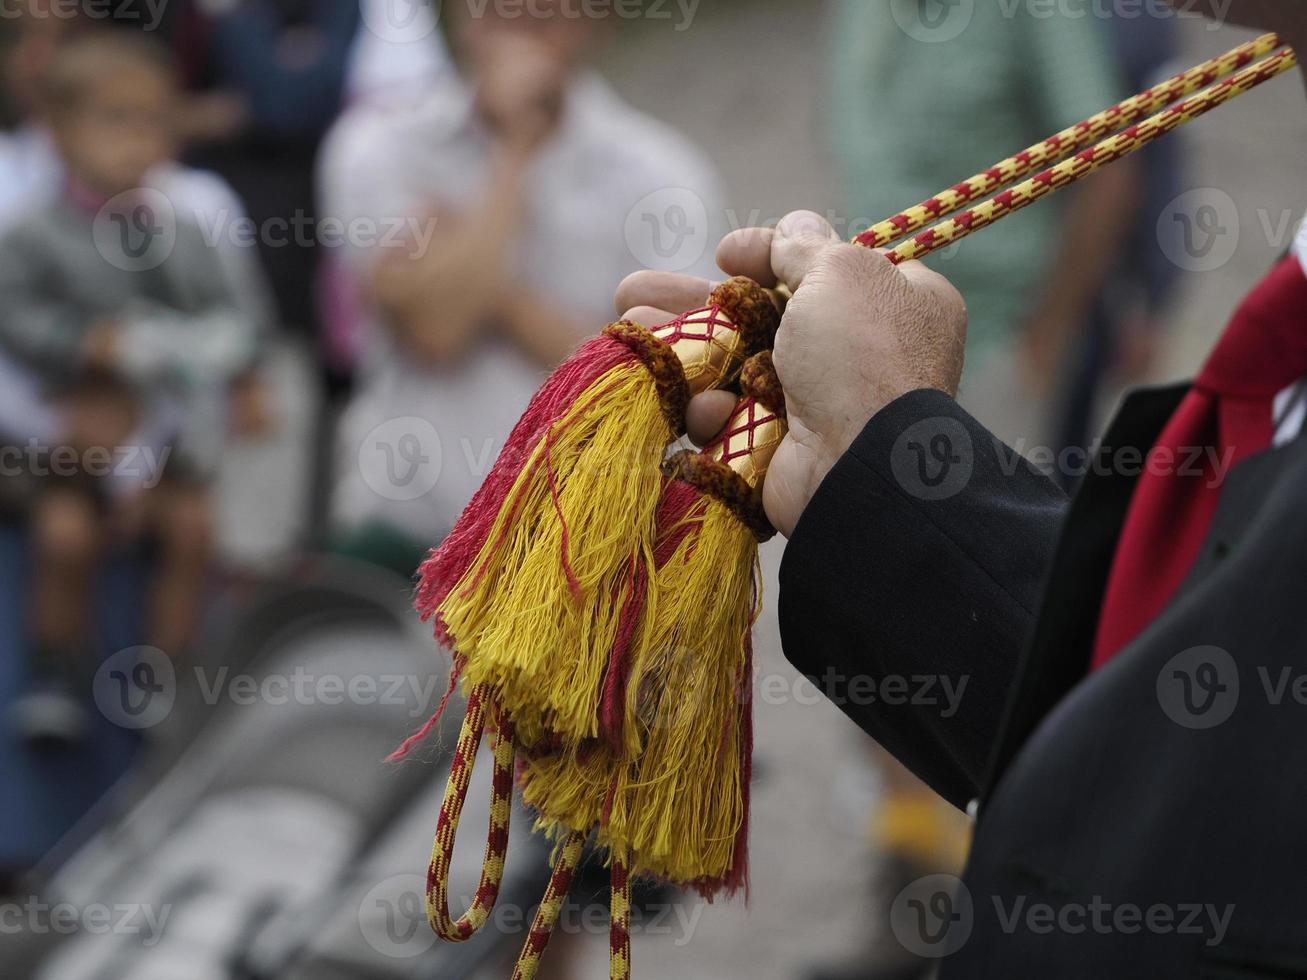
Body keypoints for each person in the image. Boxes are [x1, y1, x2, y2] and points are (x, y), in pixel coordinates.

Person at [614, 2, 1307, 971]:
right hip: (883, 345)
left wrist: (1037, 346)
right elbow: (1177, 757)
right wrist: (873, 472)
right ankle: (910, 878)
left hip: (993, 333)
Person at [321, 0, 725, 574]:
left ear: (597, 19)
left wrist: (472, 271)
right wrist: (515, 153)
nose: (519, 28)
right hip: (400, 542)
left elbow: (679, 381)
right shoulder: (378, 147)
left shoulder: (663, 174)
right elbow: (436, 331)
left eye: (544, 16)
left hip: (575, 557)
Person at [0, 31, 266, 746]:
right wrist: (91, 347)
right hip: (73, 445)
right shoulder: (30, 235)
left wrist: (217, 355)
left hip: (171, 435)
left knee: (192, 531)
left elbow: (238, 320)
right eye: (115, 119)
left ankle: (167, 678)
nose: (137, 140)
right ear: (58, 133)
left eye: (152, 120)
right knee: (65, 534)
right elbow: (18, 318)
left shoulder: (186, 229)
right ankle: (54, 667)